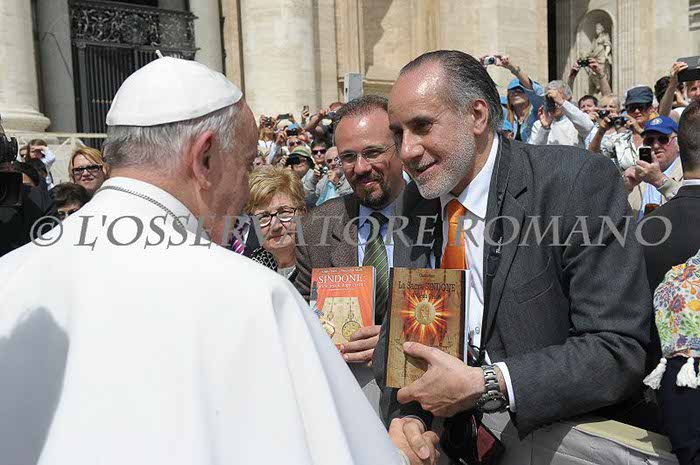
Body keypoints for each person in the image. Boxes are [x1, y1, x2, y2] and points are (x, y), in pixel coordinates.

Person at [0, 56, 439, 465]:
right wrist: (398, 454)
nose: (246, 191)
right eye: (246, 165)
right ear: (205, 157)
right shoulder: (254, 296)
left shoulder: (9, 275)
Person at [383, 50, 651, 464]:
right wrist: (409, 418)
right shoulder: (415, 204)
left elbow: (617, 348)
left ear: (477, 116)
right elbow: (404, 338)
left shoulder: (576, 183)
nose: (407, 150)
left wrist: (488, 383)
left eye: (422, 126)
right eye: (398, 133)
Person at [295, 94, 440, 421]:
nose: (360, 168)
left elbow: (460, 314)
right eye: (348, 157)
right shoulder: (316, 227)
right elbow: (301, 319)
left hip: (426, 397)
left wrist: (393, 342)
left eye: (372, 152)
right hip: (346, 399)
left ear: (400, 147)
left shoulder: (440, 215)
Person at [245, 165, 307, 281]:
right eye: (264, 216)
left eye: (284, 212)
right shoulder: (251, 270)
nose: (275, 226)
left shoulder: (321, 264)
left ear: (302, 213)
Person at [624, 116, 683, 219]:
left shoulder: (689, 172)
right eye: (649, 140)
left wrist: (659, 180)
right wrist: (624, 188)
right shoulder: (636, 173)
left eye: (663, 139)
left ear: (678, 143)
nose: (655, 146)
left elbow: (693, 205)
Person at [592, 86, 657, 171]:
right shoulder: (621, 139)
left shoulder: (659, 134)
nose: (637, 111)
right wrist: (601, 131)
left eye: (641, 107)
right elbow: (592, 156)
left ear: (651, 109)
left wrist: (640, 130)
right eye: (632, 108)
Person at [483, 54, 544, 143]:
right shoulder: (504, 111)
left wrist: (512, 67)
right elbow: (486, 96)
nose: (515, 93)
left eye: (519, 90)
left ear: (527, 93)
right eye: (511, 91)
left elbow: (535, 92)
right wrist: (482, 68)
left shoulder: (536, 111)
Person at [528, 80, 594, 147]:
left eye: (556, 99)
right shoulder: (539, 125)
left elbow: (588, 126)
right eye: (551, 100)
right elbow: (533, 150)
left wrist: (561, 102)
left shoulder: (575, 121)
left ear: (568, 99)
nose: (555, 104)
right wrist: (545, 128)